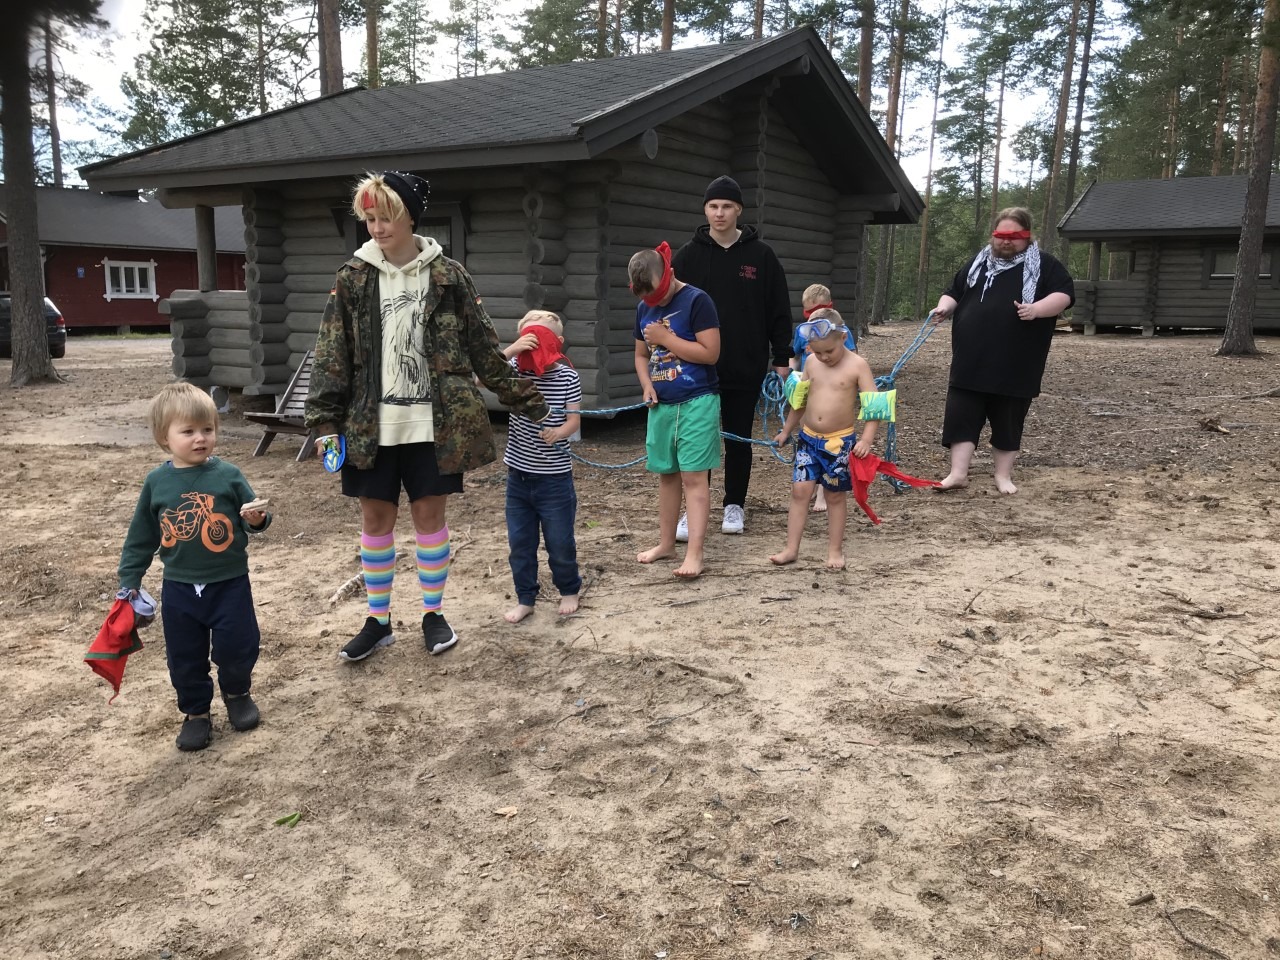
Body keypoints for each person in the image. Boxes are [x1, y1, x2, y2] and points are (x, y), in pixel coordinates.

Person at [306, 171, 550, 662]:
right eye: (370, 219)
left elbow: (483, 348)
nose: (377, 228)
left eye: (386, 218)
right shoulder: (352, 276)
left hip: (436, 426)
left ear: (410, 216)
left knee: (429, 518)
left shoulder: (449, 275)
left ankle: (433, 614)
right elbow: (332, 351)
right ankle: (377, 621)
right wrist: (325, 423)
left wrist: (530, 401)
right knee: (375, 521)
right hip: (369, 427)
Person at [117, 382, 271, 751]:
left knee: (239, 644)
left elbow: (254, 517)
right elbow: (141, 536)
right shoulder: (157, 482)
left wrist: (256, 519)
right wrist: (130, 578)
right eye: (188, 431)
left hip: (229, 582)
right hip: (180, 588)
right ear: (164, 437)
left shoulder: (229, 475)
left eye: (207, 429)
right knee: (184, 656)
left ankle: (237, 693)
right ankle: (196, 712)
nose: (200, 438)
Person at [672, 175, 792, 537]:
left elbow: (778, 309)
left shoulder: (761, 256)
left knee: (738, 438)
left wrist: (782, 357)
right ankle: (694, 508)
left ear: (738, 209)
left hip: (745, 363)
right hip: (697, 367)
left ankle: (734, 505)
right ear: (705, 210)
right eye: (713, 206)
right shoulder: (688, 256)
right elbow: (670, 306)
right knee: (698, 440)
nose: (719, 213)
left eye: (726, 206)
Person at [930, 207, 1074, 494]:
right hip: (971, 360)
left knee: (1008, 420)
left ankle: (1002, 476)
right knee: (962, 415)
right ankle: (958, 474)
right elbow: (954, 291)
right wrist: (944, 307)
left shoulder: (1045, 265)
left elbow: (1064, 295)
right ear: (993, 235)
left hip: (1016, 364)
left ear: (1027, 236)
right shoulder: (978, 263)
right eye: (1001, 235)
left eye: (1015, 236)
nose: (1006, 241)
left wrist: (1037, 309)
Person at [631, 242, 722, 579]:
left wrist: (666, 338)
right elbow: (641, 355)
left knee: (693, 477)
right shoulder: (643, 307)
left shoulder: (697, 301)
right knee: (667, 475)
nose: (653, 304)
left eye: (657, 295)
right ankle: (666, 544)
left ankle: (695, 553)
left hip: (698, 401)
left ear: (669, 274)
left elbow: (710, 353)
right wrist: (646, 384)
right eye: (646, 298)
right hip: (662, 406)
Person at [769, 311, 879, 570]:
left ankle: (835, 550)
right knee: (800, 492)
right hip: (808, 440)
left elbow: (875, 407)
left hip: (839, 444)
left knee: (834, 496)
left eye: (829, 351)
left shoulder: (857, 365)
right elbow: (800, 401)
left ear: (843, 337)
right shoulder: (811, 363)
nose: (824, 357)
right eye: (817, 352)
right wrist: (786, 430)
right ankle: (791, 548)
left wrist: (866, 439)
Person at [499, 310, 583, 623]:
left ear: (558, 341)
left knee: (559, 541)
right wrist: (512, 350)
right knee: (520, 544)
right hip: (518, 478)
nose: (535, 344)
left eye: (542, 337)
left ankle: (569, 589)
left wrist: (559, 432)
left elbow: (574, 421)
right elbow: (482, 377)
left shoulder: (568, 377)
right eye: (529, 337)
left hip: (555, 480)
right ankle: (525, 598)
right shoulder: (514, 370)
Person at [793, 284, 856, 514]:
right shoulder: (803, 332)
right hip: (809, 393)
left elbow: (852, 357)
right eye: (809, 312)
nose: (815, 316)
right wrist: (791, 377)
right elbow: (794, 355)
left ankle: (823, 491)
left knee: (830, 449)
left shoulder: (839, 332)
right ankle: (809, 483)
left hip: (834, 405)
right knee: (807, 438)